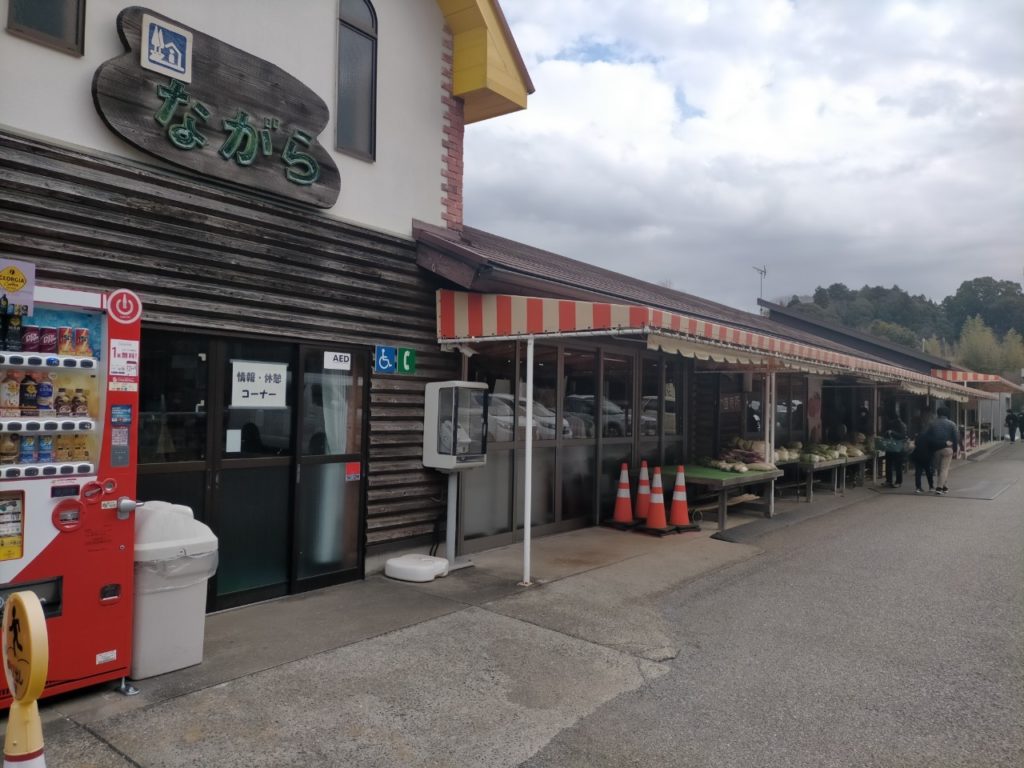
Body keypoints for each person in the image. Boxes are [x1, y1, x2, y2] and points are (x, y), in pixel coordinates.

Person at [919, 406, 963, 495]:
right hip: (948, 449)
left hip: (936, 449)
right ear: (947, 413)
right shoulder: (952, 424)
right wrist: (955, 449)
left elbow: (926, 436)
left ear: (938, 413)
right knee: (944, 469)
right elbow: (956, 438)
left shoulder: (932, 424)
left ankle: (944, 486)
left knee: (939, 468)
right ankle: (939, 488)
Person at [882, 411, 907, 488]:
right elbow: (885, 434)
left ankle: (897, 481)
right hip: (891, 447)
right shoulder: (891, 424)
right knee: (890, 465)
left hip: (897, 448)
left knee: (897, 465)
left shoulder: (901, 425)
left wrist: (892, 433)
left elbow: (902, 436)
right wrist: (887, 433)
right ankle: (890, 481)